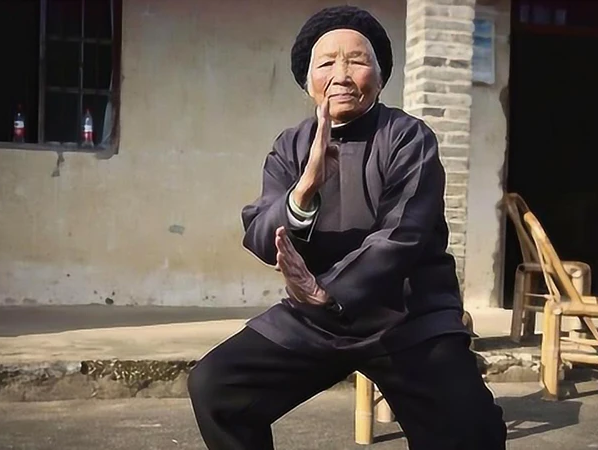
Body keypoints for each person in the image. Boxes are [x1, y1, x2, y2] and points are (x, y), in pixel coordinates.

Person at [187, 5, 507, 449]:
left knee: (474, 432)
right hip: (318, 322)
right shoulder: (290, 146)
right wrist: (304, 189)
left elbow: (403, 234)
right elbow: (260, 233)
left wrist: (329, 292)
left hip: (408, 317)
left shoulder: (408, 137)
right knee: (216, 386)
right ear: (307, 84)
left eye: (357, 60)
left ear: (379, 77)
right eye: (326, 63)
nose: (341, 74)